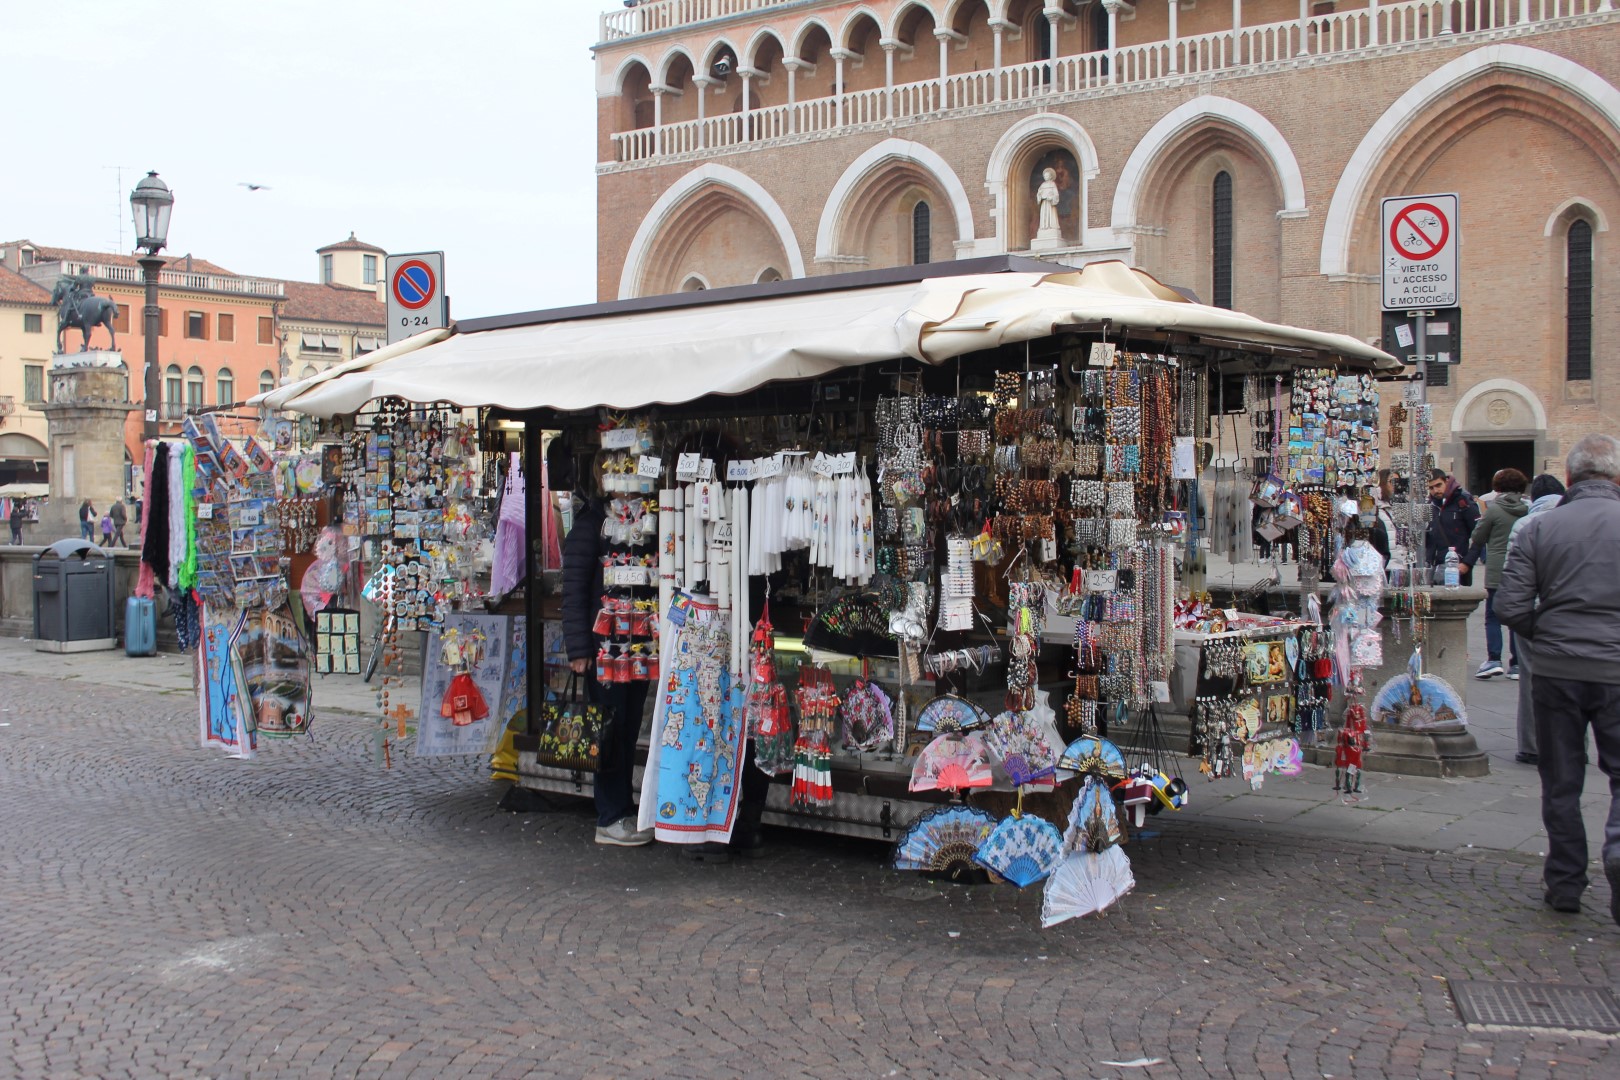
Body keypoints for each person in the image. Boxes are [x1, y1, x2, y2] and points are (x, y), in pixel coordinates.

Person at [1496, 434, 1620, 924]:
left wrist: (1546, 633)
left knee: (1561, 779)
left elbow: (1509, 606)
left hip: (1556, 669)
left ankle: (1566, 879)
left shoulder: (1537, 529)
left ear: (1570, 478)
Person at [560, 459, 654, 848]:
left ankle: (622, 809)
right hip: (604, 648)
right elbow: (573, 589)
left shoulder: (644, 522)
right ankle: (610, 814)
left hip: (638, 646)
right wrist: (579, 649)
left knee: (629, 728)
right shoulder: (589, 525)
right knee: (608, 728)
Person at [1504, 474, 1566, 765]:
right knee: (1572, 677)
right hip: (1567, 614)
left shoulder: (1523, 525)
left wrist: (1521, 617)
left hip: (1533, 612)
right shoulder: (1575, 520)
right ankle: (1572, 742)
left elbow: (1512, 577)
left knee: (1530, 678)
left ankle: (1531, 745)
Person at [1463, 468, 1529, 679]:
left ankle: (1493, 659)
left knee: (1492, 615)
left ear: (1497, 487)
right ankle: (1517, 664)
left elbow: (1478, 536)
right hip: (1520, 567)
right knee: (1517, 615)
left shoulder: (1494, 509)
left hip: (1497, 567)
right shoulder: (1527, 508)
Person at [1424, 468, 1479, 586]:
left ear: (1446, 482)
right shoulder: (1429, 505)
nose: (1435, 490)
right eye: (1431, 488)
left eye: (1438, 485)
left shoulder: (1463, 501)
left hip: (1456, 566)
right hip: (1431, 567)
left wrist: (1467, 563)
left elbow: (1480, 537)